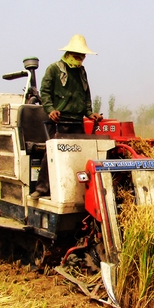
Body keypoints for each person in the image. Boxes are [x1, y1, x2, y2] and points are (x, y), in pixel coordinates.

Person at [31, 34, 103, 199]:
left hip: (77, 121)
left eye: (83, 56)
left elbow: (86, 95)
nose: (80, 59)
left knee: (81, 155)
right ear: (69, 53)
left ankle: (78, 191)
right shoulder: (54, 69)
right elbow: (46, 92)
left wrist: (90, 113)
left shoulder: (81, 72)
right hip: (60, 120)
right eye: (78, 56)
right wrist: (50, 109)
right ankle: (41, 188)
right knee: (52, 153)